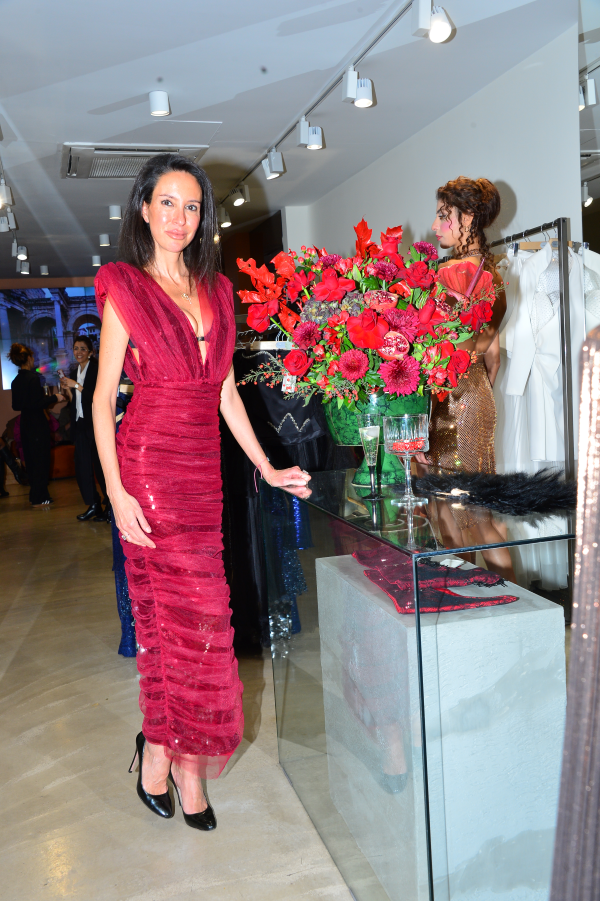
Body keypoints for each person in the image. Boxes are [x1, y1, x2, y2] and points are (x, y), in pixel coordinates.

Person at [92, 153, 310, 831]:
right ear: (143, 209)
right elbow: (102, 400)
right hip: (148, 471)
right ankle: (179, 768)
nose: (179, 218)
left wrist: (267, 467)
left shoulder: (216, 290)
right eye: (167, 203)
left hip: (202, 479)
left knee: (206, 627)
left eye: (191, 207)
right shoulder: (125, 286)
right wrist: (116, 491)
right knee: (172, 629)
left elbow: (224, 393)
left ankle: (165, 752)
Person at [416, 177, 514, 579]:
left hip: (453, 396)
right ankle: (502, 594)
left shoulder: (453, 272)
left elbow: (428, 343)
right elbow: (494, 358)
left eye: (444, 216)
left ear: (468, 217)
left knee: (455, 508)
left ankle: (484, 592)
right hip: (471, 393)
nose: (436, 226)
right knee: (472, 508)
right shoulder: (490, 271)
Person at [60, 335, 109, 522]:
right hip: (80, 424)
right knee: (82, 468)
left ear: (90, 352)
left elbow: (97, 397)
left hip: (95, 424)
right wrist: (68, 388)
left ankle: (110, 507)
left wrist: (77, 386)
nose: (78, 352)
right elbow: (75, 402)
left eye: (82, 348)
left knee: (101, 467)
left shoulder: (97, 369)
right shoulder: (74, 372)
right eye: (76, 348)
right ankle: (93, 504)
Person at [9, 343, 63, 507]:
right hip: (37, 424)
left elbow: (16, 406)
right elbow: (37, 403)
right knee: (41, 461)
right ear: (28, 358)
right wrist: (55, 398)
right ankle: (40, 497)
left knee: (32, 461)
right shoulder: (33, 379)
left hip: (25, 424)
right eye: (32, 357)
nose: (34, 359)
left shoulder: (15, 381)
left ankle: (35, 496)